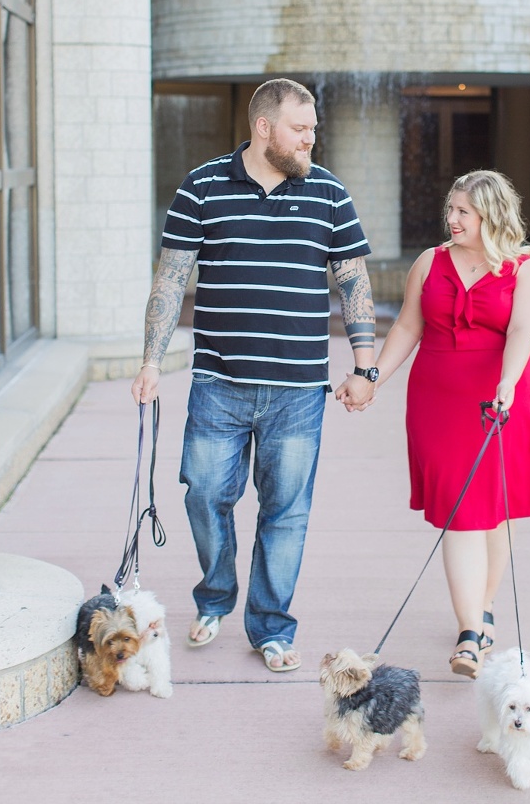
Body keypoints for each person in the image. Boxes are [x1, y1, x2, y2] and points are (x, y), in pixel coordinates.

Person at [131, 78, 376, 672]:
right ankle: (215, 595)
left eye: (313, 128)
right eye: (301, 128)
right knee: (206, 495)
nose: (311, 138)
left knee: (286, 510)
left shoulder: (328, 192)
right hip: (218, 383)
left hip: (298, 391)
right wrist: (152, 361)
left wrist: (365, 364)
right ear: (264, 128)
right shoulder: (202, 186)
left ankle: (270, 625)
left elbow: (354, 280)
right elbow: (170, 281)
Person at [337, 169, 530, 678]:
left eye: (462, 211)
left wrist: (507, 383)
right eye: (451, 210)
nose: (452, 219)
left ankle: (480, 613)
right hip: (439, 402)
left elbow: (520, 332)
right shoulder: (430, 262)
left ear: (490, 213)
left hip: (503, 398)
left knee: (493, 511)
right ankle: (471, 631)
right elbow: (407, 324)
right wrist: (372, 376)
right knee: (460, 510)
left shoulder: (524, 268)